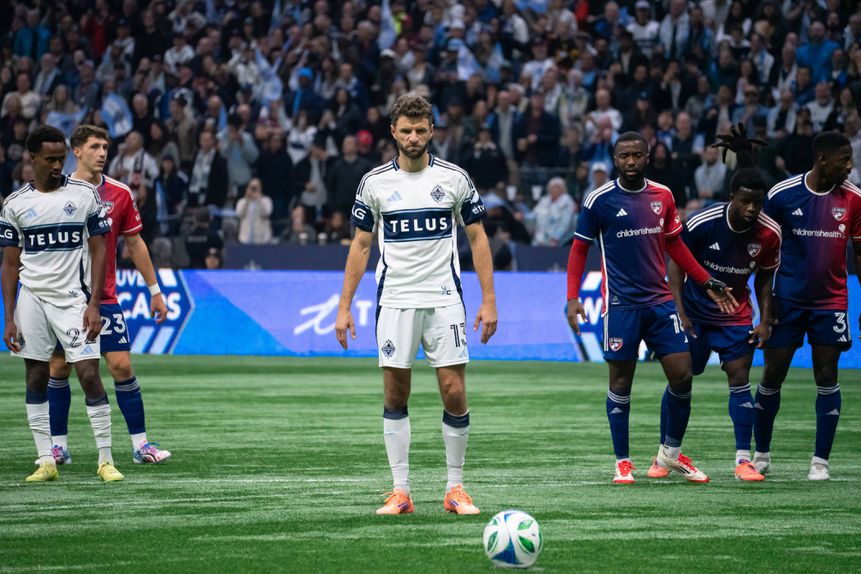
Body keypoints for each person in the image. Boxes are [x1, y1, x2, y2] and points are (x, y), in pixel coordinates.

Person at [335, 94, 497, 515]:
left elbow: (478, 238)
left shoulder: (456, 178)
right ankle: (401, 491)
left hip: (445, 299)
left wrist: (489, 301)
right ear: (393, 132)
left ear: (431, 131)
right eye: (405, 130)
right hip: (395, 300)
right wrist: (344, 305)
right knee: (395, 393)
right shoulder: (374, 183)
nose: (412, 137)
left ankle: (456, 488)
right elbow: (361, 245)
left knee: (454, 391)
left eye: (420, 130)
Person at [566, 131, 737, 485]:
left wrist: (706, 280)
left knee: (683, 374)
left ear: (647, 157)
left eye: (637, 155)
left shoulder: (663, 195)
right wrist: (572, 297)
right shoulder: (599, 200)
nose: (631, 161)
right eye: (624, 156)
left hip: (660, 302)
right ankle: (622, 462)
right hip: (621, 305)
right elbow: (579, 250)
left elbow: (675, 245)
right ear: (615, 159)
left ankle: (670, 454)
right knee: (621, 380)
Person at [0, 125, 123, 482]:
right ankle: (46, 460)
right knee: (36, 376)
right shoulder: (15, 204)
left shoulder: (85, 195)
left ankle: (105, 459)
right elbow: (9, 264)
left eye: (61, 158)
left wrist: (94, 303)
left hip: (72, 298)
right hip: (32, 300)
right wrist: (9, 318)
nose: (57, 165)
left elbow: (100, 248)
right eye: (51, 159)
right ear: (33, 158)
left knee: (89, 375)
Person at [46, 125, 171, 466]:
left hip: (104, 298)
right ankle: (58, 447)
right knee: (58, 368)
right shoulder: (54, 193)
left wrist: (155, 291)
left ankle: (141, 445)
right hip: (60, 297)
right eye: (95, 146)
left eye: (106, 147)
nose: (103, 153)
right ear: (77, 151)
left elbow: (134, 243)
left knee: (121, 365)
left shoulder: (120, 193)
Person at [661, 161, 781, 481]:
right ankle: (665, 454)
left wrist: (765, 320)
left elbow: (766, 280)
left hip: (735, 314)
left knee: (740, 380)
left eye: (758, 201)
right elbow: (676, 263)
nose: (752, 208)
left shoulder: (769, 233)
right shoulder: (703, 221)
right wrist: (680, 310)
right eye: (745, 201)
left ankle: (744, 461)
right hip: (695, 313)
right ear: (731, 197)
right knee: (682, 377)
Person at [755, 131, 861, 480]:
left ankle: (820, 462)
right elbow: (765, 258)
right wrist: (766, 307)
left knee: (827, 375)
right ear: (822, 160)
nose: (850, 166)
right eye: (844, 160)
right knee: (772, 374)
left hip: (831, 301)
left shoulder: (855, 199)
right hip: (787, 301)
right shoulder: (782, 195)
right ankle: (762, 454)